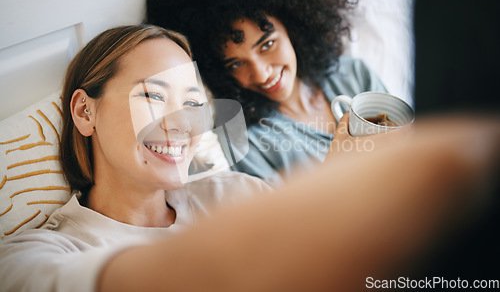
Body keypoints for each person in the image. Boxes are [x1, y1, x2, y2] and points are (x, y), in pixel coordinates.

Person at [1, 25, 499, 292]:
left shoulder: (236, 191)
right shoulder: (32, 256)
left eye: (193, 103)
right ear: (85, 112)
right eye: (153, 96)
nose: (181, 125)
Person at [145, 0, 388, 186]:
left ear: (292, 25)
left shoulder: (354, 75)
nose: (262, 75)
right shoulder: (246, 142)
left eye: (267, 44)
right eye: (236, 64)